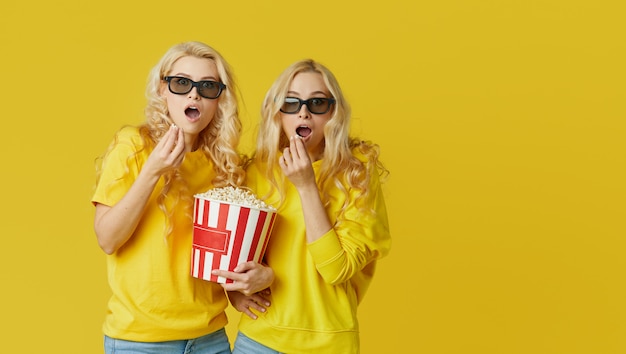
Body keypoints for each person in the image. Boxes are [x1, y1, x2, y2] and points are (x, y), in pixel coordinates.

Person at [91, 41, 272, 354]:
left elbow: (216, 252)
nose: (194, 94)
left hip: (209, 337)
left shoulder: (223, 163)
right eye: (181, 83)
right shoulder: (133, 146)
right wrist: (153, 172)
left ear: (219, 99)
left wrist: (234, 292)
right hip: (141, 341)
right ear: (163, 90)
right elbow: (108, 239)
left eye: (207, 86)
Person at [216, 59, 392, 354]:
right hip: (259, 339)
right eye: (291, 102)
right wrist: (234, 291)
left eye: (317, 103)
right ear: (278, 113)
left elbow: (337, 270)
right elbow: (229, 252)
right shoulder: (257, 171)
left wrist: (307, 186)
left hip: (329, 342)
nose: (304, 112)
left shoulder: (357, 173)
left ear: (333, 112)